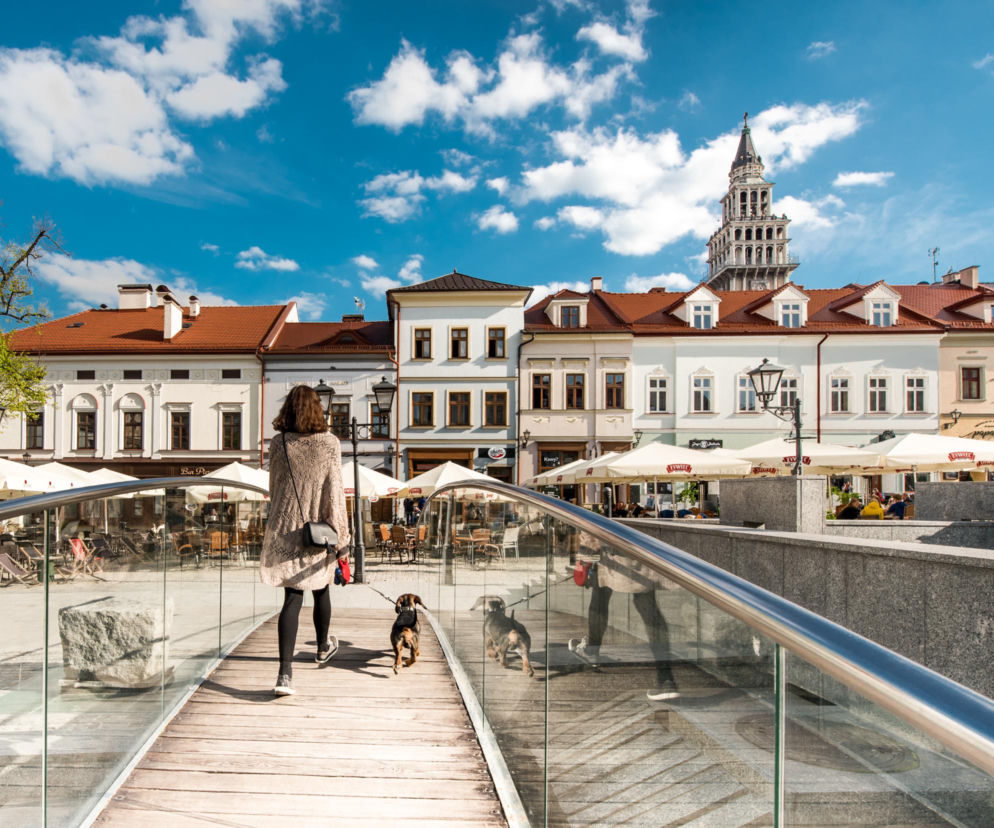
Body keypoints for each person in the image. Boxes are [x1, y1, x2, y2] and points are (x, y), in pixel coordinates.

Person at [261, 385, 351, 696]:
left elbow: (274, 488)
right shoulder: (330, 443)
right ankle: (323, 646)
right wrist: (341, 538)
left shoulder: (278, 443)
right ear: (318, 409)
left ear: (287, 408)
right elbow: (335, 493)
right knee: (321, 587)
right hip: (319, 529)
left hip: (285, 527)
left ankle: (284, 674)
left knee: (292, 597)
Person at [568, 532, 679, 701]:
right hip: (642, 551)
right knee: (648, 608)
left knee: (600, 595)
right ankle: (666, 679)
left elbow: (593, 533)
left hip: (613, 555)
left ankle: (592, 651)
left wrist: (584, 557)